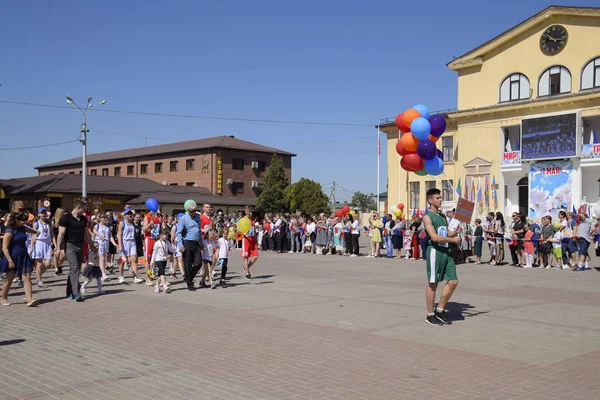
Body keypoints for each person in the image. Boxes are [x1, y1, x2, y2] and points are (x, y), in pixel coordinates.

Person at [422, 188, 461, 326]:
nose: (440, 200)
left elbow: (445, 233)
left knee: (453, 281)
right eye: (437, 198)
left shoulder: (443, 216)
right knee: (433, 283)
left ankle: (440, 309)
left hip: (446, 251)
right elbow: (435, 237)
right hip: (435, 251)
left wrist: (455, 232)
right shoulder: (427, 217)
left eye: (440, 197)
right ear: (430, 200)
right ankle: (430, 314)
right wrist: (453, 240)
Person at [56, 201, 99, 302]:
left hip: (80, 245)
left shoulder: (83, 219)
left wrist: (92, 245)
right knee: (75, 267)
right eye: (84, 209)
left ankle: (69, 291)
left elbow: (86, 234)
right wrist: (58, 248)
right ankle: (77, 293)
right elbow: (61, 234)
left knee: (76, 269)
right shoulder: (65, 218)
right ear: (78, 208)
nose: (85, 211)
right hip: (70, 245)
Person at [0, 213, 40, 307]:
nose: (23, 222)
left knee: (27, 278)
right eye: (21, 221)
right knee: (9, 279)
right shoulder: (10, 230)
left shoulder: (23, 228)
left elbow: (36, 232)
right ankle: (4, 298)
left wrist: (35, 233)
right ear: (15, 220)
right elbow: (4, 248)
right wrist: (9, 260)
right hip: (12, 257)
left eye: (24, 221)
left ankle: (29, 300)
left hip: (24, 256)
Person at [176, 200, 203, 290]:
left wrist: (201, 242)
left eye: (195, 211)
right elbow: (179, 232)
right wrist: (180, 245)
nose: (193, 213)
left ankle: (188, 277)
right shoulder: (184, 218)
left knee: (198, 263)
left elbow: (199, 231)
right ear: (188, 211)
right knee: (187, 264)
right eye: (192, 211)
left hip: (196, 243)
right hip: (187, 242)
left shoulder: (198, 218)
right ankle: (190, 284)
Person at [118, 209, 144, 284]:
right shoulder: (122, 223)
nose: (129, 215)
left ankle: (135, 277)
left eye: (130, 214)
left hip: (132, 241)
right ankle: (121, 276)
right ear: (125, 215)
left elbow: (139, 221)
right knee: (122, 260)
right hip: (124, 241)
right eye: (128, 214)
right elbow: (119, 234)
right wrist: (120, 245)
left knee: (134, 258)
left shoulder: (132, 223)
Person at [31, 207, 53, 288]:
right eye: (42, 213)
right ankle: (39, 280)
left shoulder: (49, 223)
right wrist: (31, 247)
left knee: (48, 264)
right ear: (39, 214)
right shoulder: (36, 224)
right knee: (39, 263)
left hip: (47, 243)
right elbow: (33, 235)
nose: (43, 214)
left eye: (44, 212)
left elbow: (52, 234)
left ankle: (38, 275)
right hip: (39, 243)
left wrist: (55, 244)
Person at [150, 229, 176, 293]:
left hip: (164, 259)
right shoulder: (157, 243)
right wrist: (152, 262)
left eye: (167, 235)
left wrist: (177, 250)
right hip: (158, 259)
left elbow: (171, 249)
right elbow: (154, 253)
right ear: (161, 235)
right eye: (165, 235)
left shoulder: (167, 242)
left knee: (160, 274)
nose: (166, 236)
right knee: (162, 272)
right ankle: (164, 286)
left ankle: (156, 286)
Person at [142, 208, 162, 285]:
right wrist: (150, 224)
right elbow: (144, 230)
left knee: (157, 259)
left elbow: (160, 230)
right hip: (149, 239)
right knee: (148, 259)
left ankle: (156, 276)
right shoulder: (147, 216)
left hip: (156, 239)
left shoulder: (159, 217)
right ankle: (148, 278)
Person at [241, 211, 259, 280]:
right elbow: (239, 229)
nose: (250, 213)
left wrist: (256, 239)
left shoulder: (252, 220)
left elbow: (253, 230)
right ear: (246, 212)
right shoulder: (243, 220)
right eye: (249, 212)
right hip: (246, 240)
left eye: (251, 212)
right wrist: (243, 233)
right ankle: (247, 273)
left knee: (256, 256)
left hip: (253, 240)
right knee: (246, 257)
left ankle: (246, 267)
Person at [52, 208, 66, 275]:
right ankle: (56, 268)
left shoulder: (64, 220)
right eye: (62, 213)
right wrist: (53, 241)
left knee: (64, 254)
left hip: (63, 239)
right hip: (55, 238)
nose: (63, 214)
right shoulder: (53, 221)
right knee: (56, 254)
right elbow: (51, 232)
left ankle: (59, 264)